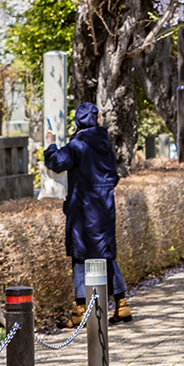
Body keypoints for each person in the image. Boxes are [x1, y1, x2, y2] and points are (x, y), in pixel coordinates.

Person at [43, 102, 131, 323]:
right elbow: (114, 176)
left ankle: (80, 310)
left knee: (80, 256)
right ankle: (121, 304)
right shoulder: (106, 144)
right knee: (106, 253)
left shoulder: (78, 145)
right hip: (104, 207)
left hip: (83, 209)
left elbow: (56, 163)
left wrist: (50, 144)